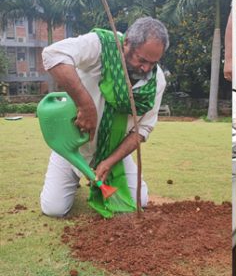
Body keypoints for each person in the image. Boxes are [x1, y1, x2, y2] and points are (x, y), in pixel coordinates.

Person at [40, 17, 168, 217]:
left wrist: (109, 162)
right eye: (142, 60)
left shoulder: (156, 82)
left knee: (140, 201)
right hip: (72, 147)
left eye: (153, 63)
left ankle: (103, 170)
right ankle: (73, 178)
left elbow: (142, 130)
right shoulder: (102, 46)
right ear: (126, 43)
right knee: (53, 209)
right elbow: (53, 55)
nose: (146, 69)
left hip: (113, 151)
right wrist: (85, 104)